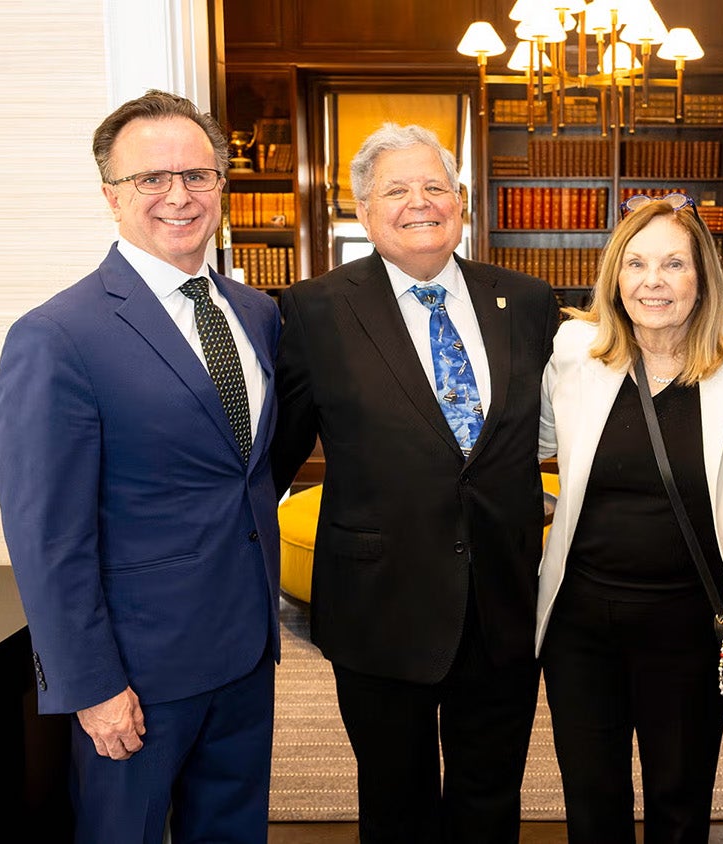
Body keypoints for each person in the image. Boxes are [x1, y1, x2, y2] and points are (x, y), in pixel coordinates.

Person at [0, 89, 281, 843]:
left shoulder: (256, 313)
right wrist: (91, 684)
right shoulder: (58, 335)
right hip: (137, 670)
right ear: (110, 195)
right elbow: (46, 535)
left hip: (245, 649)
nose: (179, 196)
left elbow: (246, 471)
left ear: (221, 184)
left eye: (198, 174)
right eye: (151, 178)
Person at [270, 123, 557, 844]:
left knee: (491, 797)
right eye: (396, 190)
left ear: (460, 201)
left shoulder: (526, 301)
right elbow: (277, 455)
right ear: (364, 211)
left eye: (435, 186)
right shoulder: (313, 309)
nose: (420, 202)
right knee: (396, 804)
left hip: (502, 603)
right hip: (379, 606)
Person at [537, 194, 723, 843]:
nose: (654, 281)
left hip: (691, 625)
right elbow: (523, 447)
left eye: (674, 263)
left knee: (680, 803)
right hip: (579, 627)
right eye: (637, 263)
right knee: (592, 801)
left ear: (702, 275)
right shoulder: (575, 349)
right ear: (615, 275)